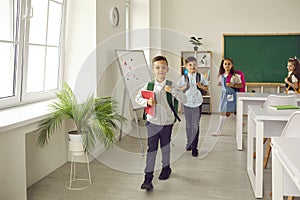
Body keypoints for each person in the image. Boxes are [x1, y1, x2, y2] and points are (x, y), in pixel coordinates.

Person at [135, 55, 187, 191]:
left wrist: (174, 91)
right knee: (151, 150)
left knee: (165, 147)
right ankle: (147, 178)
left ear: (167, 69)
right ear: (153, 69)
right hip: (152, 123)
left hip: (167, 123)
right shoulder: (149, 85)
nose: (160, 70)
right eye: (157, 67)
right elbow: (137, 98)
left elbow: (184, 99)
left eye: (163, 67)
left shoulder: (171, 84)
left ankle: (166, 168)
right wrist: (147, 102)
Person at [178, 56, 208, 156]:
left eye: (194, 64)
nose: (192, 67)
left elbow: (206, 88)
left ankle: (195, 147)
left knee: (195, 125)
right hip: (187, 103)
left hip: (197, 103)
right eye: (190, 65)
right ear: (186, 66)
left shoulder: (200, 77)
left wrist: (201, 86)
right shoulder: (183, 78)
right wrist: (184, 87)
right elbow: (178, 90)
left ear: (197, 65)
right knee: (188, 125)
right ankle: (189, 142)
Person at [212, 58, 244, 136]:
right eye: (225, 64)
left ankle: (219, 131)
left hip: (231, 95)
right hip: (224, 95)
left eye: (229, 64)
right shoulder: (221, 76)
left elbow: (241, 85)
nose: (227, 65)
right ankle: (241, 123)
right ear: (223, 65)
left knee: (224, 112)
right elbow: (220, 83)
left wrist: (232, 85)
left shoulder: (235, 76)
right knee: (228, 113)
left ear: (232, 65)